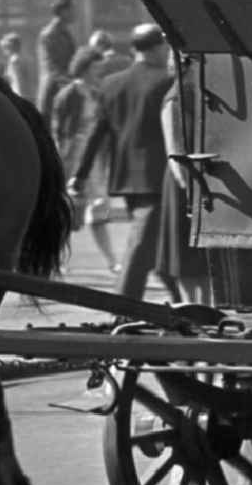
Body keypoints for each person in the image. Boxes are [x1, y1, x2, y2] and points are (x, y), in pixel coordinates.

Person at [68, 23, 177, 306]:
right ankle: (123, 307)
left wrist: (79, 175)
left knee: (154, 243)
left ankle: (182, 302)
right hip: (161, 177)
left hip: (126, 178)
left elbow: (96, 133)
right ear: (155, 48)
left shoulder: (110, 83)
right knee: (143, 245)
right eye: (164, 46)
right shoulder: (166, 81)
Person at [52, 46, 118, 269]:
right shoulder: (69, 94)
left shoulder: (98, 92)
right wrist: (63, 156)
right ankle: (57, 258)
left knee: (99, 207)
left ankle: (111, 261)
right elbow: (60, 130)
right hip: (73, 155)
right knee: (69, 210)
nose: (98, 72)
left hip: (94, 156)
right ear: (84, 68)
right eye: (95, 68)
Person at [155, 57, 211, 303]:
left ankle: (202, 304)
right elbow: (175, 150)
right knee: (186, 251)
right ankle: (193, 305)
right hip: (188, 180)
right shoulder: (177, 98)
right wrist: (188, 188)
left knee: (193, 252)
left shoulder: (186, 93)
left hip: (195, 178)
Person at [36, 0, 77, 126]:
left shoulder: (66, 33)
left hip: (65, 87)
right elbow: (50, 65)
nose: (74, 13)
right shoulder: (49, 34)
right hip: (52, 90)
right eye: (72, 10)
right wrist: (67, 81)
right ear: (63, 11)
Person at [0, 31, 33, 99]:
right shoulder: (20, 58)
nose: (3, 50)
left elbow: (19, 81)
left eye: (5, 47)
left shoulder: (15, 60)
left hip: (19, 95)